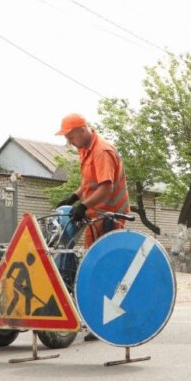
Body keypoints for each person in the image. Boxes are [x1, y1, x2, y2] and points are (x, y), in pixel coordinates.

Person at [54, 113, 130, 341]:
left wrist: (83, 205)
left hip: (109, 217)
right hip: (95, 217)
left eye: (70, 136)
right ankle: (95, 318)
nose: (68, 141)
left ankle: (103, 322)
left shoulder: (102, 152)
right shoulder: (86, 150)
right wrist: (73, 198)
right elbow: (89, 184)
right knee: (91, 267)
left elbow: (106, 189)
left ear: (82, 130)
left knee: (101, 270)